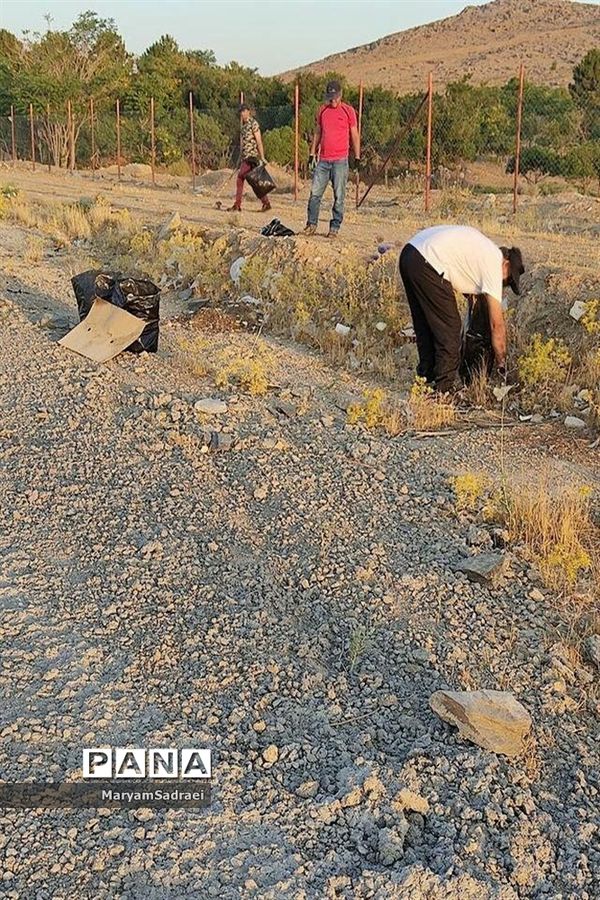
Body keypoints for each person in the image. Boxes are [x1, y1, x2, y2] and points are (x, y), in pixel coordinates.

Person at [399, 224, 525, 393]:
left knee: (426, 325)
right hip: (428, 262)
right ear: (506, 264)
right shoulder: (494, 263)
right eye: (508, 280)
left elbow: (464, 279)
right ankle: (444, 390)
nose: (504, 284)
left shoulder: (484, 250)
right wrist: (502, 362)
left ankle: (425, 380)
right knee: (450, 329)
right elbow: (497, 325)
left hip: (410, 255)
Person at [303, 80, 360, 238]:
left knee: (339, 196)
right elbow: (318, 132)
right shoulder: (322, 111)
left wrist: (357, 157)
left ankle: (335, 226)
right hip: (323, 160)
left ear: (340, 95)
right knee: (315, 194)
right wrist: (312, 154)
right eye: (330, 97)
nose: (333, 100)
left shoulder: (348, 111)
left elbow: (354, 134)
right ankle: (311, 224)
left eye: (335, 97)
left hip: (340, 160)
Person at [228, 104, 271, 213]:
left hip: (252, 157)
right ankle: (265, 203)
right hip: (246, 156)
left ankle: (237, 205)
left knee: (241, 178)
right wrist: (240, 159)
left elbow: (259, 141)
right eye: (241, 112)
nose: (242, 114)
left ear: (248, 111)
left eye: (244, 111)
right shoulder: (244, 127)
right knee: (254, 181)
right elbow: (243, 145)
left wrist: (262, 157)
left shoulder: (253, 124)